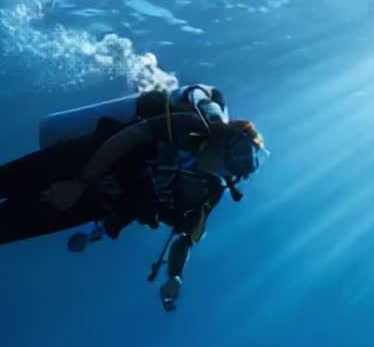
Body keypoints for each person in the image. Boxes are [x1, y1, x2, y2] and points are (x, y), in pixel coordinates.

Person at [0, 84, 266, 310]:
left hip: (95, 201)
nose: (232, 167)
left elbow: (186, 238)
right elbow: (131, 135)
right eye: (239, 154)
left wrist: (175, 276)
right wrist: (80, 182)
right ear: (225, 139)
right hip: (82, 162)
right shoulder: (192, 126)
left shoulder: (207, 191)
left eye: (241, 168)